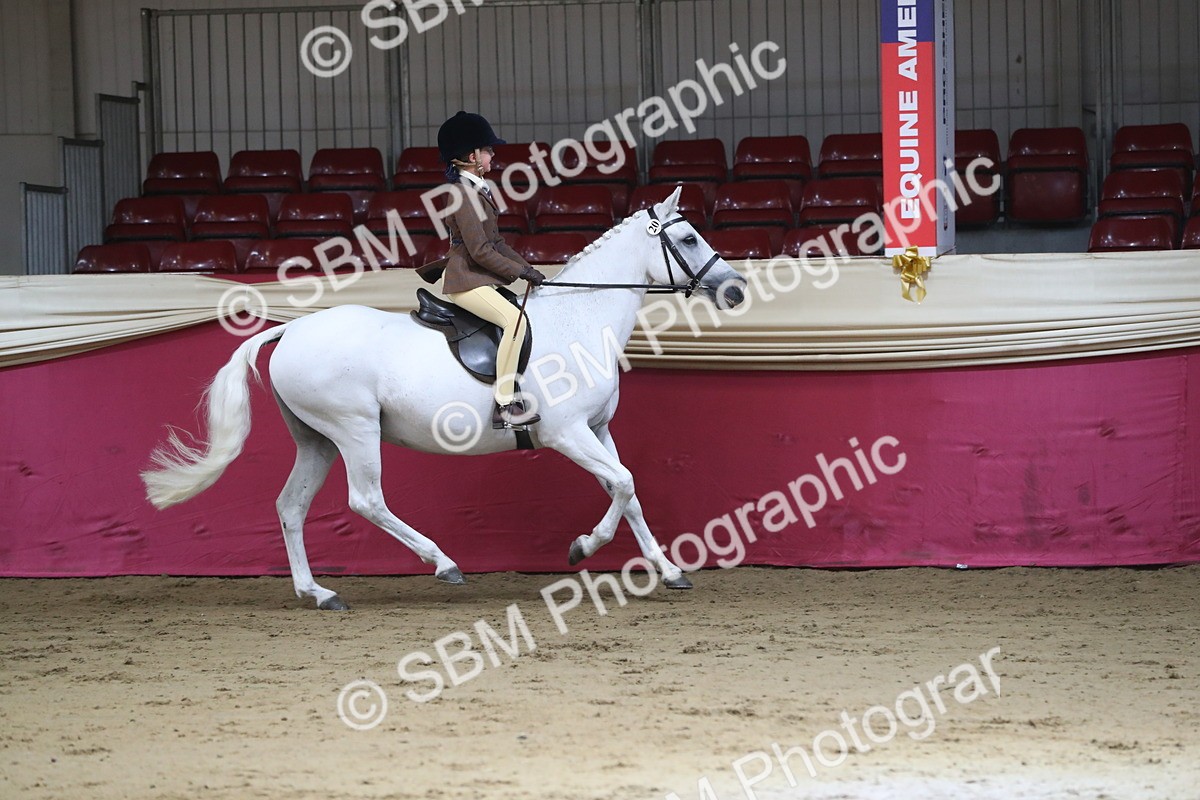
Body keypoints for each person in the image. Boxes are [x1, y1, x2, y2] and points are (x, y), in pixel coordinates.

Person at [424, 111, 547, 429]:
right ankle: (505, 405)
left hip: (479, 275)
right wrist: (518, 273)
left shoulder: (478, 191)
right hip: (466, 279)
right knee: (514, 322)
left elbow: (497, 242)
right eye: (488, 150)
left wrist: (528, 268)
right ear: (470, 157)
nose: (493, 154)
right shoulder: (461, 195)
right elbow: (480, 251)